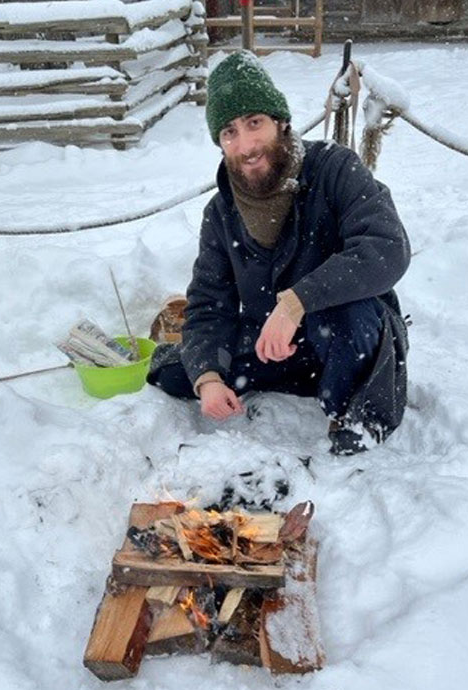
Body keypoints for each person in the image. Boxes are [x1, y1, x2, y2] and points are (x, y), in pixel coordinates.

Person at [147, 51, 410, 455]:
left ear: (281, 122)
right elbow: (208, 305)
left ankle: (352, 417)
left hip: (345, 334)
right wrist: (209, 380)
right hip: (276, 346)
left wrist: (297, 303)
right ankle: (254, 377)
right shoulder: (220, 214)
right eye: (229, 132)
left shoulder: (335, 169)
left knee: (348, 319)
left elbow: (387, 248)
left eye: (255, 123)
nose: (246, 144)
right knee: (179, 372)